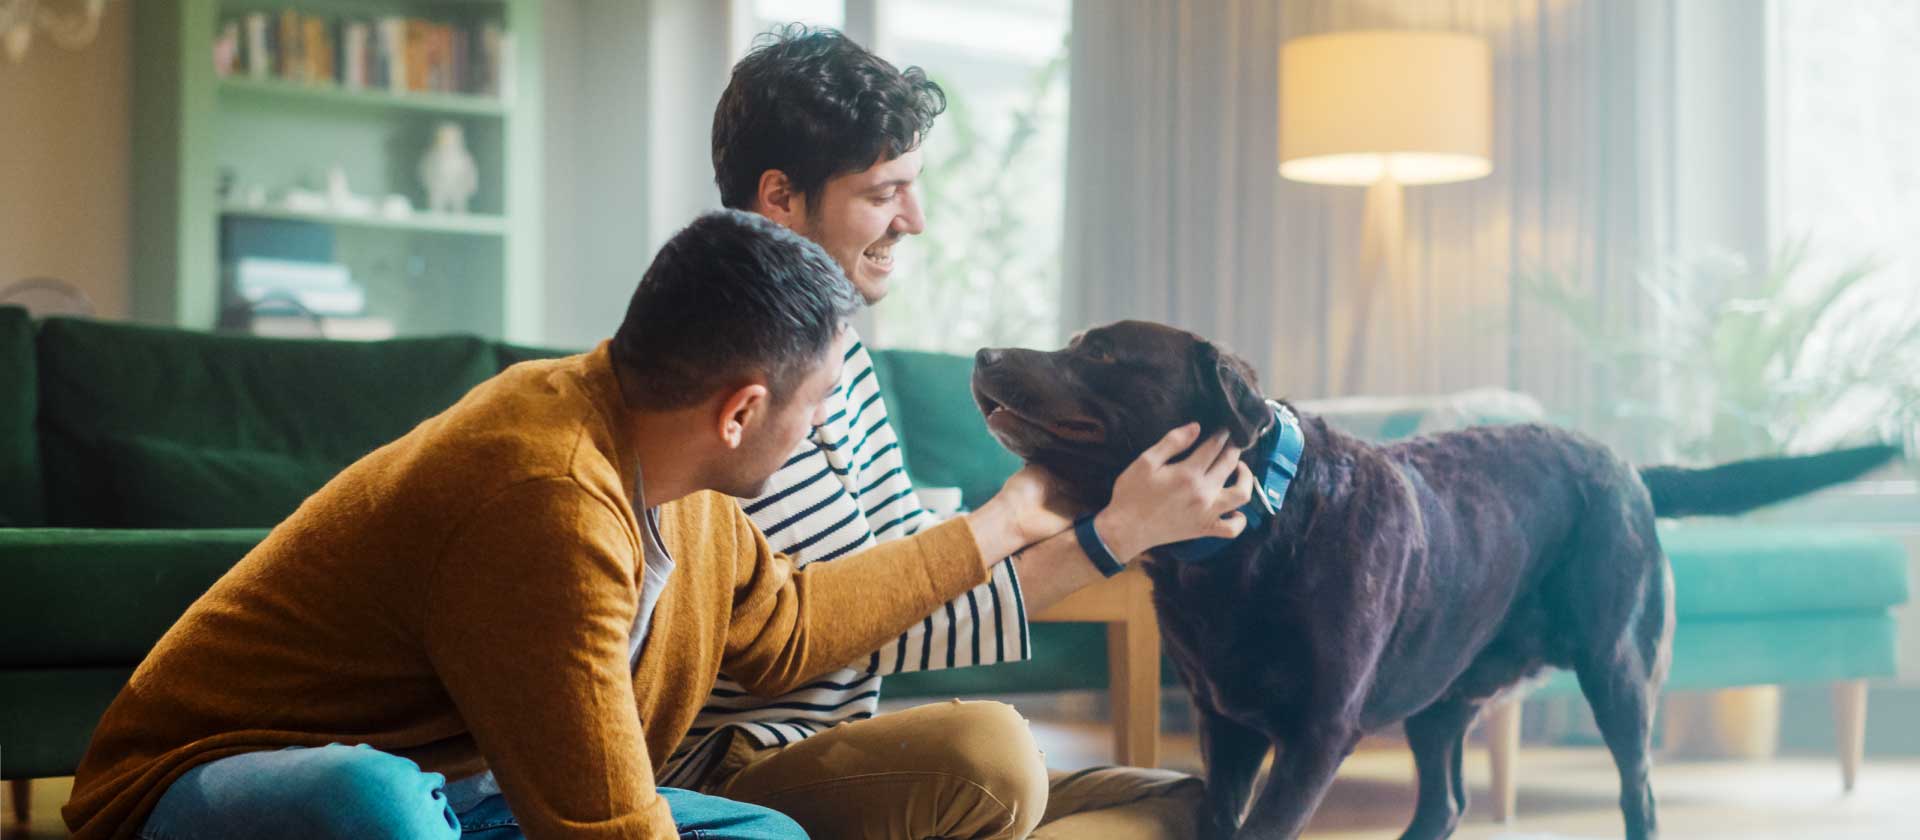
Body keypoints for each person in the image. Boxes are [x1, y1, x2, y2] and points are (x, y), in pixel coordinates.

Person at [61, 210, 1249, 840]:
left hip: (462, 792)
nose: (825, 422)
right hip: (209, 786)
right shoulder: (543, 496)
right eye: (822, 400)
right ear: (741, 409)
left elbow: (789, 629)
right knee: (365, 807)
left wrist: (1002, 524)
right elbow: (600, 819)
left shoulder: (677, 472)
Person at [667, 25, 1223, 840]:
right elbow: (865, 632)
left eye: (913, 186)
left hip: (846, 748)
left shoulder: (840, 350)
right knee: (991, 755)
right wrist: (1108, 536)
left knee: (1193, 805)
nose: (915, 221)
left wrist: (1059, 510)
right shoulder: (729, 388)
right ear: (780, 197)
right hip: (732, 768)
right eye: (883, 192)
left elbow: (909, 563)